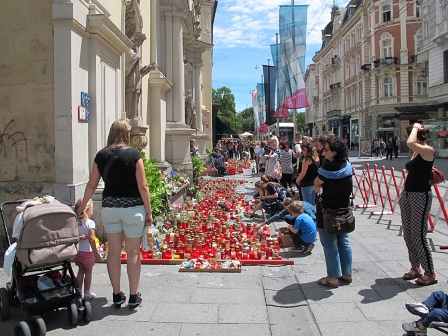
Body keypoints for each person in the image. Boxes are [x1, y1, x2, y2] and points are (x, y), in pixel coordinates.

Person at [77, 119, 153, 310]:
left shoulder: (101, 155)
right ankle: (134, 296)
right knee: (133, 252)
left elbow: (92, 184)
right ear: (127, 134)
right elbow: (143, 186)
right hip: (133, 208)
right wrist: (149, 211)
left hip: (110, 208)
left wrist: (83, 205)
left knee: (113, 252)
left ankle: (117, 294)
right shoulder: (134, 155)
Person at [399, 123, 436, 286]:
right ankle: (415, 267)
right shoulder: (415, 151)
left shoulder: (427, 150)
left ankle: (430, 272)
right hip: (408, 194)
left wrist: (414, 127)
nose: (406, 139)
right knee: (408, 234)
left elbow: (410, 143)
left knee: (418, 235)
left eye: (408, 135)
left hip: (421, 195)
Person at [314, 136, 353, 288]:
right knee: (344, 242)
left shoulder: (327, 168)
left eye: (326, 150)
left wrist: (320, 187)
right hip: (344, 209)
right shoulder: (347, 165)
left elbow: (316, 183)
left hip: (327, 211)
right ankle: (347, 273)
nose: (324, 153)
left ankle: (332, 278)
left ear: (334, 152)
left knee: (330, 245)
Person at [73, 198, 102, 300]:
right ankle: (87, 292)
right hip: (87, 252)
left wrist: (78, 238)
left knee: (80, 271)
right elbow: (91, 238)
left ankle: (79, 292)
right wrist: (96, 253)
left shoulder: (75, 222)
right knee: (88, 272)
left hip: (78, 252)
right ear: (89, 210)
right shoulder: (90, 223)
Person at [296, 141, 319, 206]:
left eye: (303, 149)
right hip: (314, 183)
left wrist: (297, 180)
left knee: (307, 205)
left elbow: (303, 173)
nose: (302, 151)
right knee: (313, 204)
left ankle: (310, 216)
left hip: (306, 184)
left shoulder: (307, 159)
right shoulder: (316, 157)